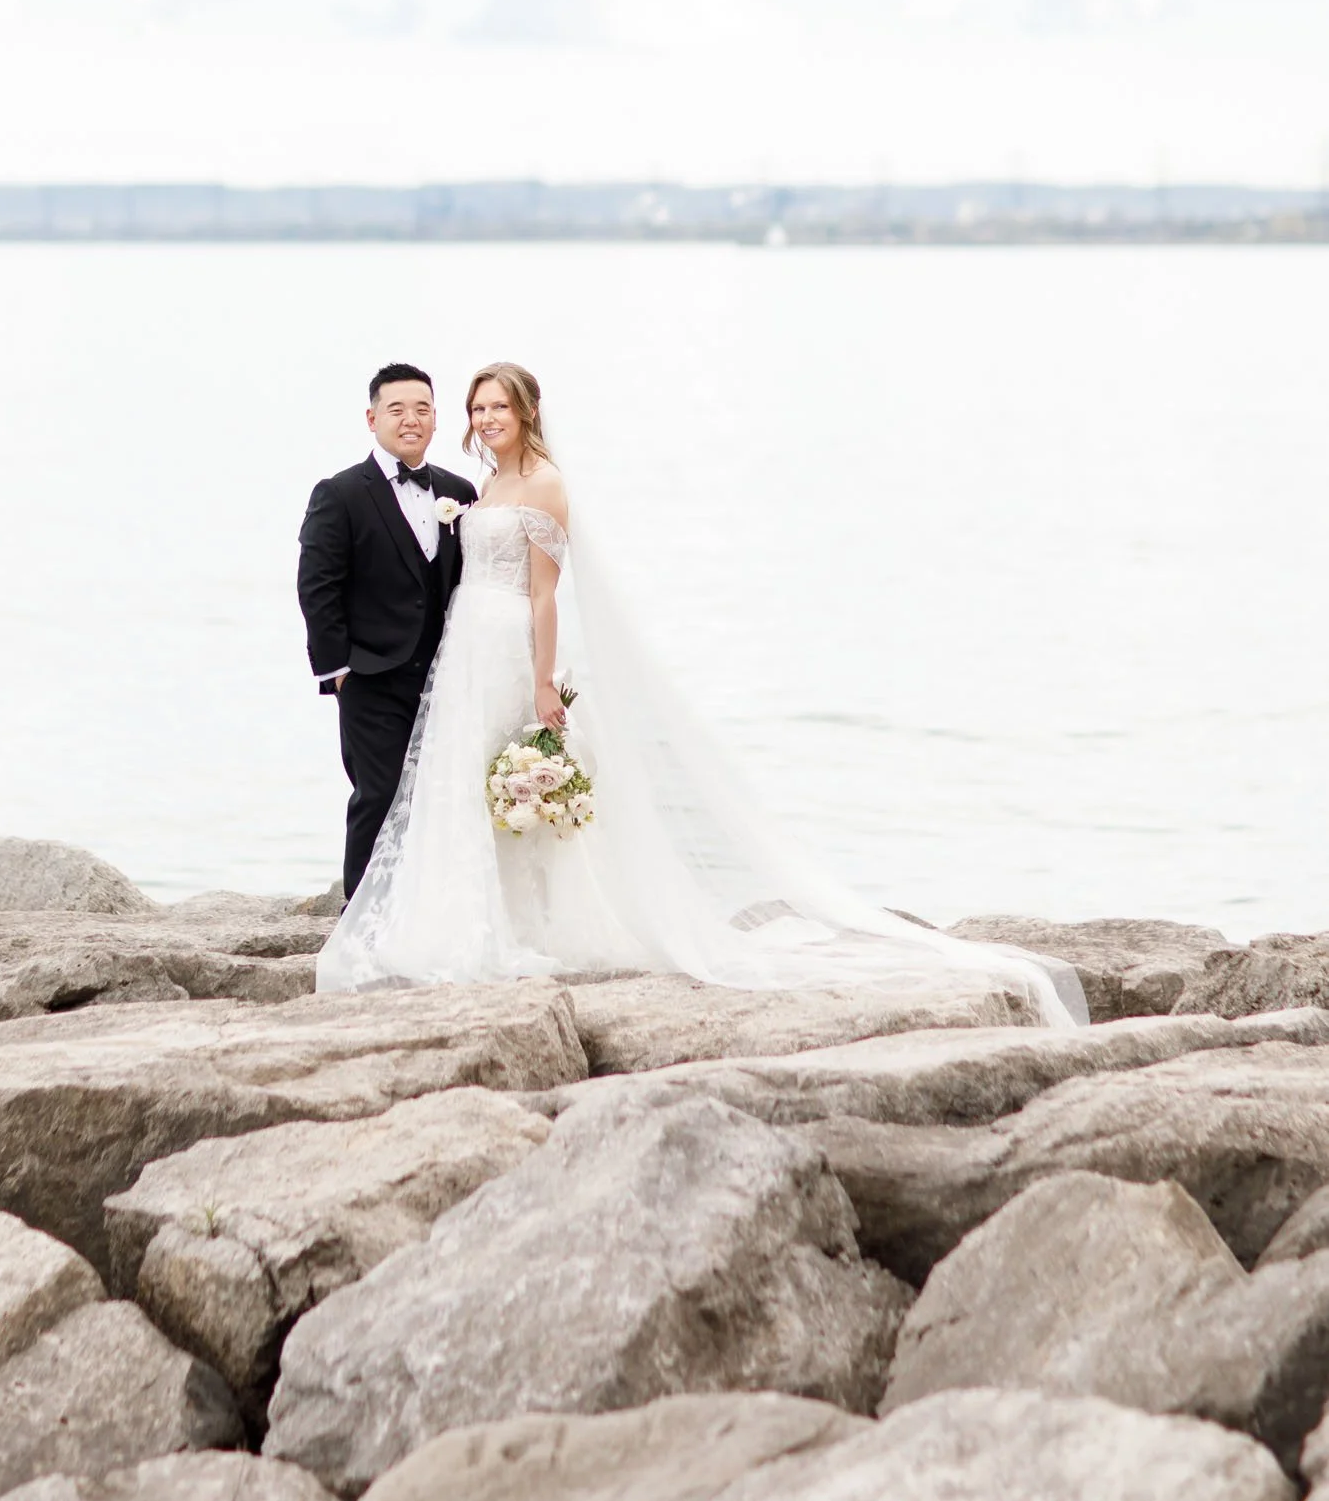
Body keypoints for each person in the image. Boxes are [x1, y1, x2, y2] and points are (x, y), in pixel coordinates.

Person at [315, 359, 1085, 1028]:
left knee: (498, 772)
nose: (484, 418)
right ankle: (448, 909)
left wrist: (544, 680)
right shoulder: (474, 485)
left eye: (497, 407)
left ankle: (525, 918)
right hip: (462, 652)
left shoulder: (546, 484)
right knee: (456, 782)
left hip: (509, 646)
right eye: (476, 408)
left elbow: (547, 597)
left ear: (526, 413)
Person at [297, 363, 479, 903]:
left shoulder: (458, 490)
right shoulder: (340, 493)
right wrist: (340, 673)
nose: (411, 419)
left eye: (422, 409)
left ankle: (424, 910)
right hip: (370, 677)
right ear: (372, 417)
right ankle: (362, 921)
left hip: (443, 677)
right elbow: (318, 587)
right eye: (397, 409)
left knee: (438, 798)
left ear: (436, 419)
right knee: (378, 796)